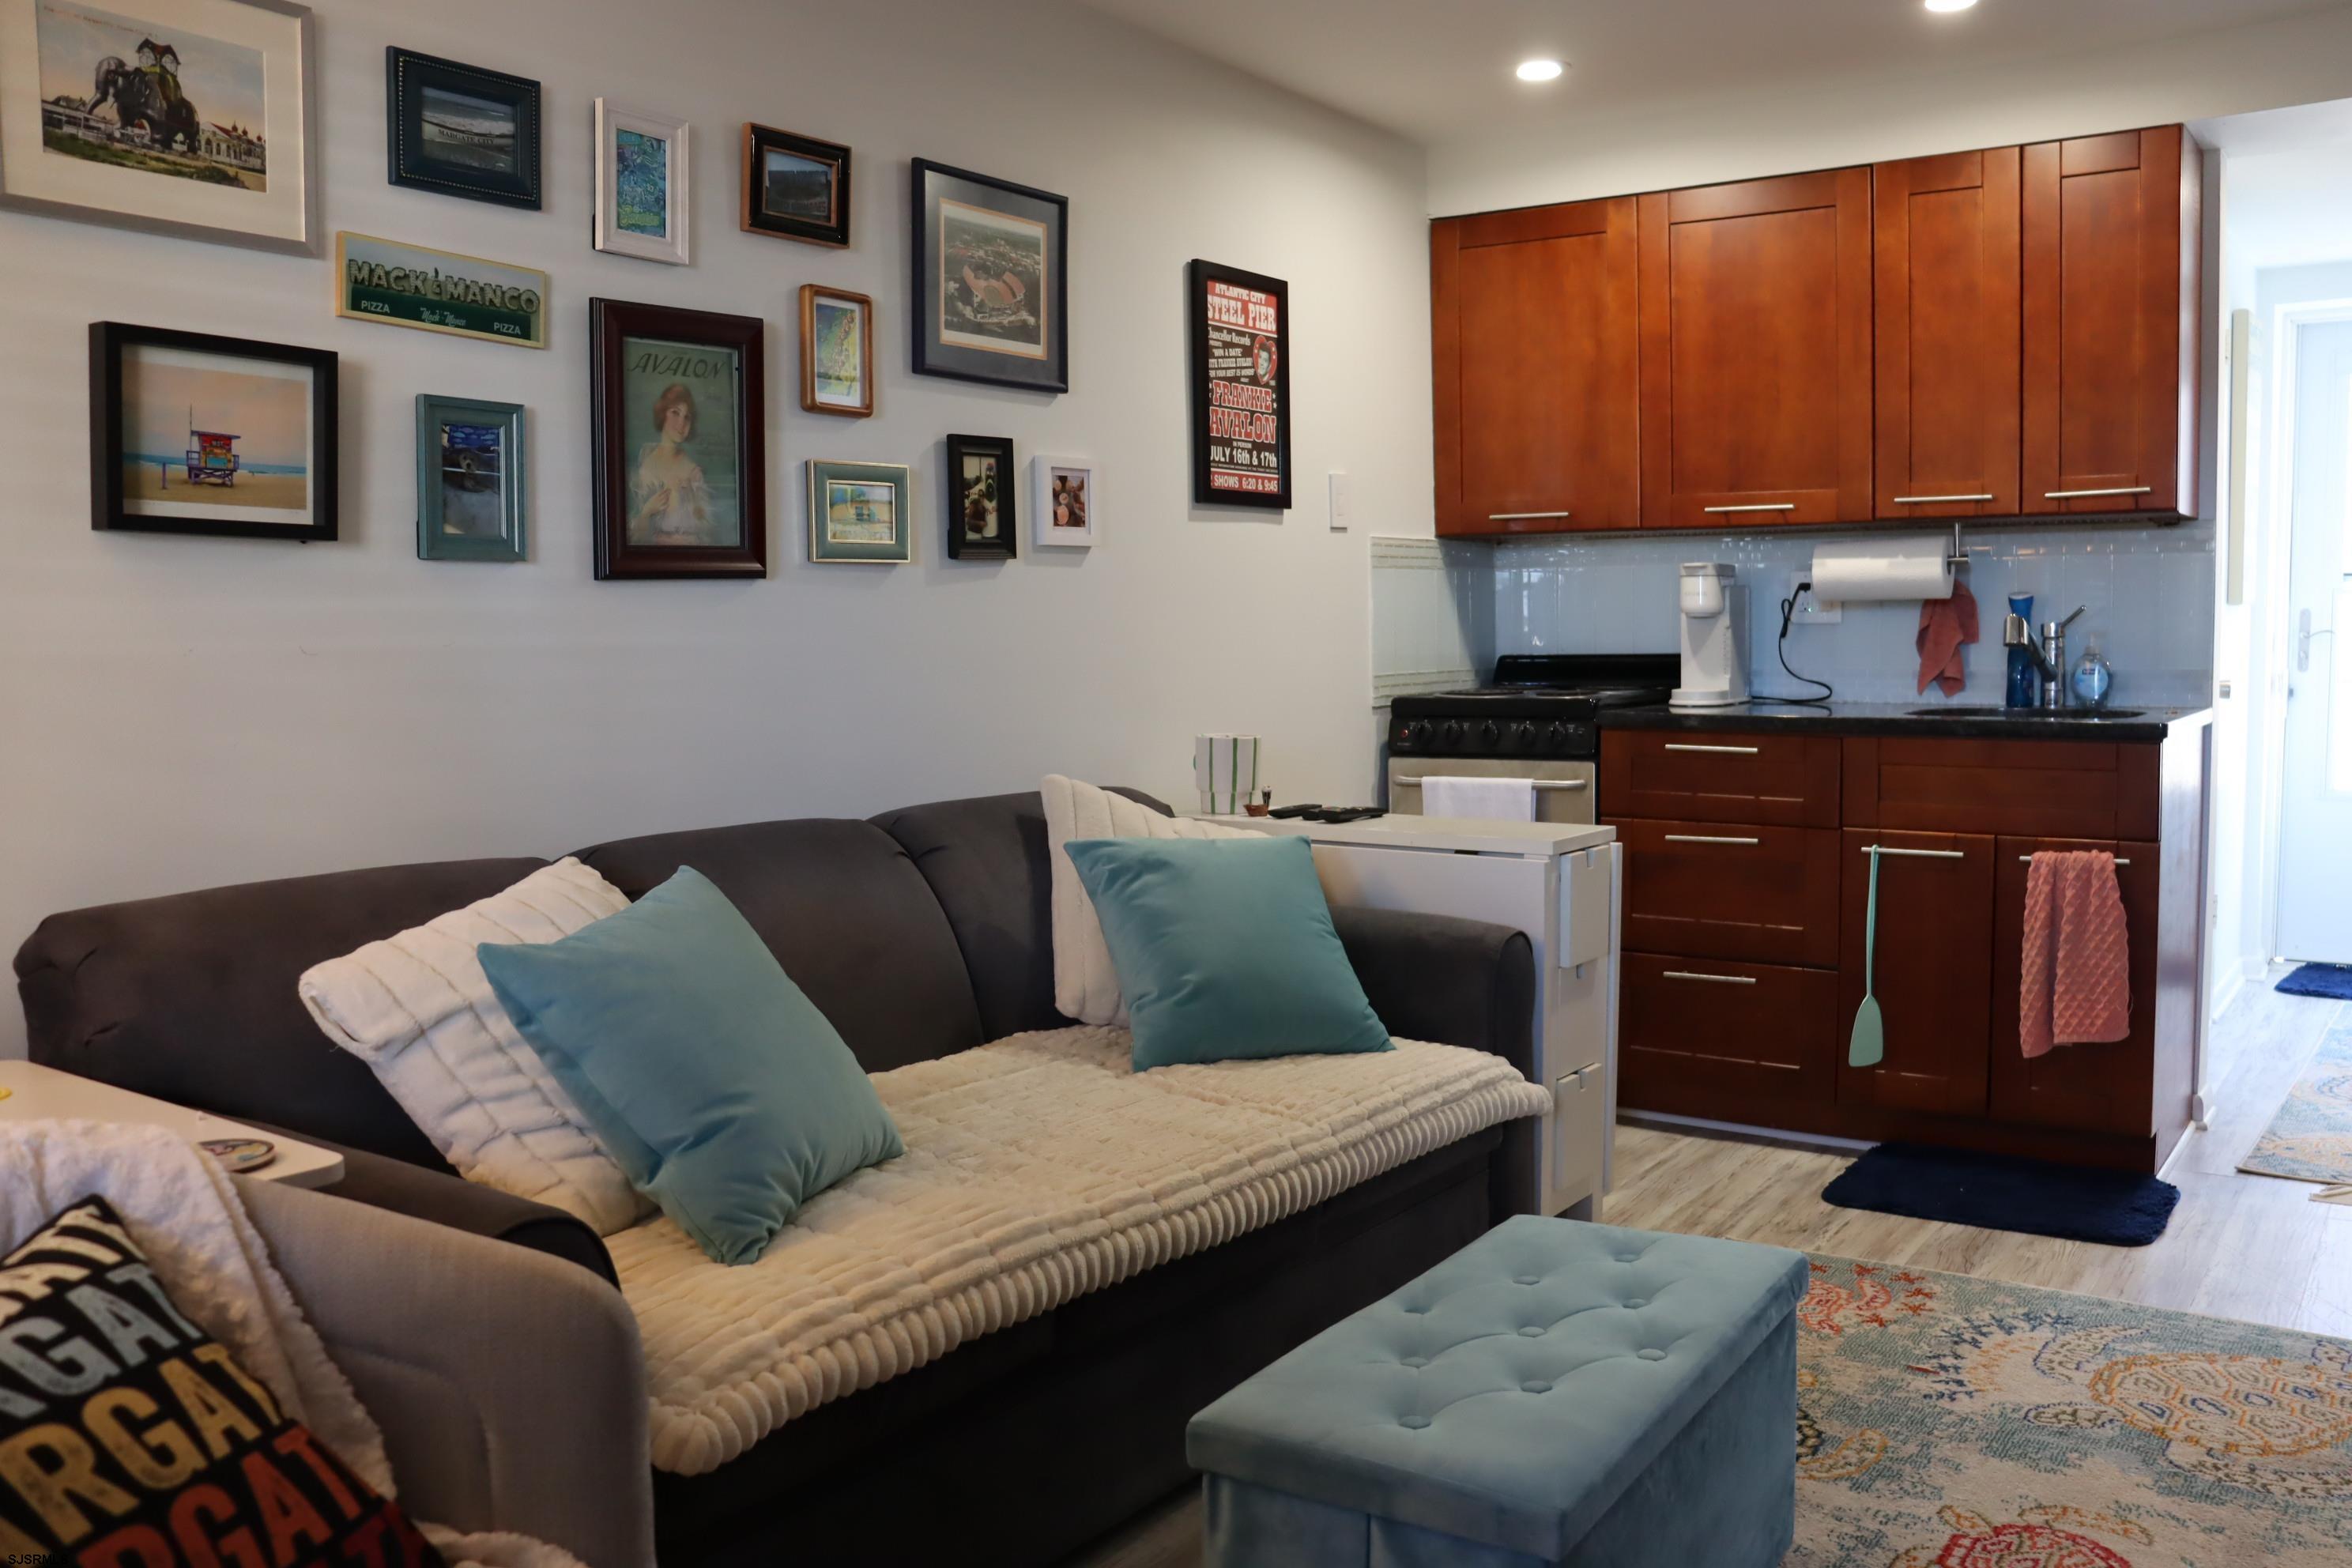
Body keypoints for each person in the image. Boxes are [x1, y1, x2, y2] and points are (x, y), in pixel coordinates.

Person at [628, 383, 718, 546]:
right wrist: (647, 512)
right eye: (675, 413)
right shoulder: (645, 464)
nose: (681, 423)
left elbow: (707, 529)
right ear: (662, 414)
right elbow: (632, 538)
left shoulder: (693, 472)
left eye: (687, 417)